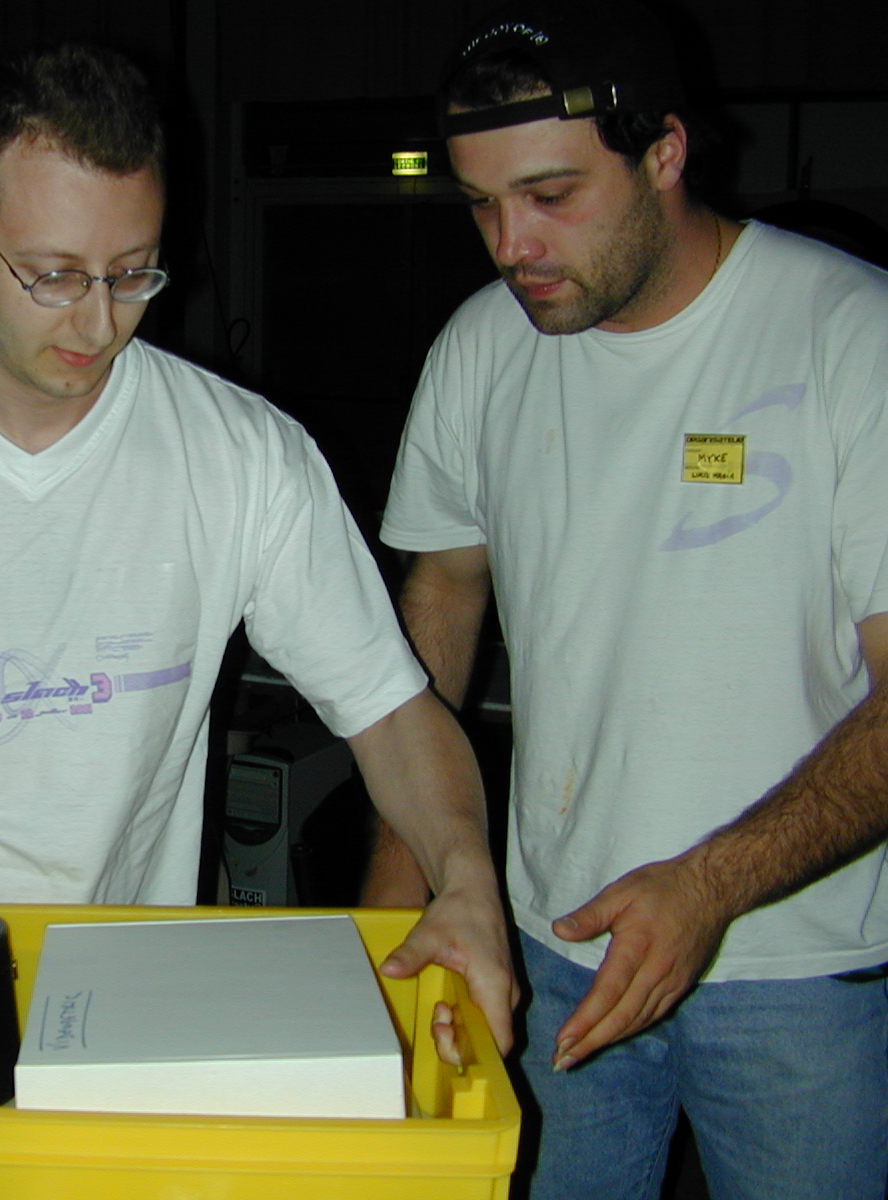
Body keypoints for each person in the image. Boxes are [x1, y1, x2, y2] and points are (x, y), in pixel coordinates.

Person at [0, 42, 513, 1053]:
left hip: (131, 986)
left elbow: (388, 708)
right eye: (55, 275)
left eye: (131, 272)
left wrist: (466, 877)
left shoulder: (241, 454)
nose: (101, 322)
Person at [367, 3, 888, 1197]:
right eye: (481, 204)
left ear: (664, 152)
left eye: (550, 194)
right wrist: (399, 909)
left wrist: (707, 885)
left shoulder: (847, 337)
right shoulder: (481, 349)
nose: (512, 244)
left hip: (795, 965)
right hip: (548, 945)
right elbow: (435, 620)